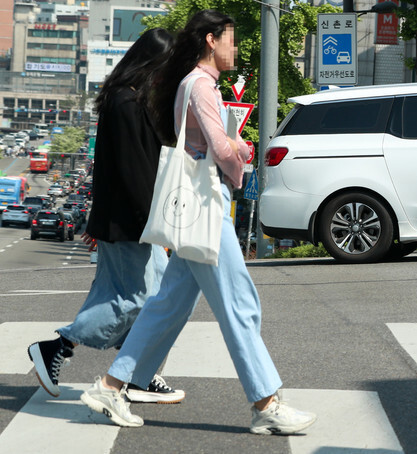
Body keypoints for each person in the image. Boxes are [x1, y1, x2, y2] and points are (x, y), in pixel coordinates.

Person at [79, 10, 317, 434]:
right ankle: (266, 403)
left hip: (197, 205)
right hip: (206, 204)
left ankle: (110, 386)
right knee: (238, 303)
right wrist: (242, 151)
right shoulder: (201, 85)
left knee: (167, 306)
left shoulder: (189, 82)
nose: (236, 49)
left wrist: (229, 146)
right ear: (210, 40)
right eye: (231, 40)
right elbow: (220, 150)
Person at [27, 28, 185, 405]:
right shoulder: (126, 103)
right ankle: (57, 347)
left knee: (138, 296)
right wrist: (156, 222)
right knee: (142, 299)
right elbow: (132, 170)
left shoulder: (130, 99)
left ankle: (139, 374)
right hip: (132, 220)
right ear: (154, 63)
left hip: (125, 218)